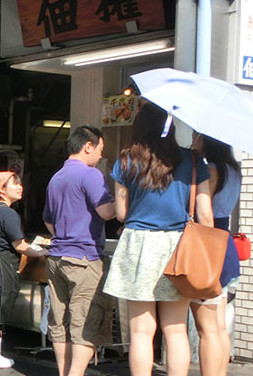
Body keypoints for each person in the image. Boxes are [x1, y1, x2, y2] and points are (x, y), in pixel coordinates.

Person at [103, 102, 213, 376]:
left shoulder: (126, 161)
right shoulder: (193, 160)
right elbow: (205, 215)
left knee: (141, 331)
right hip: (178, 248)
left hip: (139, 243)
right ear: (171, 127)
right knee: (175, 330)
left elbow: (121, 213)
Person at [42, 126, 117, 376]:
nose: (100, 156)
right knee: (84, 321)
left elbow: (48, 221)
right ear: (88, 146)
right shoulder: (91, 175)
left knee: (59, 321)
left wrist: (65, 234)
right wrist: (125, 199)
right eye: (100, 149)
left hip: (56, 258)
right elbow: (106, 212)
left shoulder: (56, 178)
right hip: (84, 258)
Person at [0, 171, 48, 369]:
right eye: (14, 184)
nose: (20, 187)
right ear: (1, 189)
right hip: (0, 269)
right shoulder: (7, 213)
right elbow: (20, 246)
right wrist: (41, 252)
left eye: (20, 184)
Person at [191, 133, 241, 376]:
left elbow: (204, 212)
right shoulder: (233, 170)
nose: (192, 137)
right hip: (226, 242)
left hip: (209, 246)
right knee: (219, 326)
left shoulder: (210, 170)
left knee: (207, 328)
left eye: (196, 135)